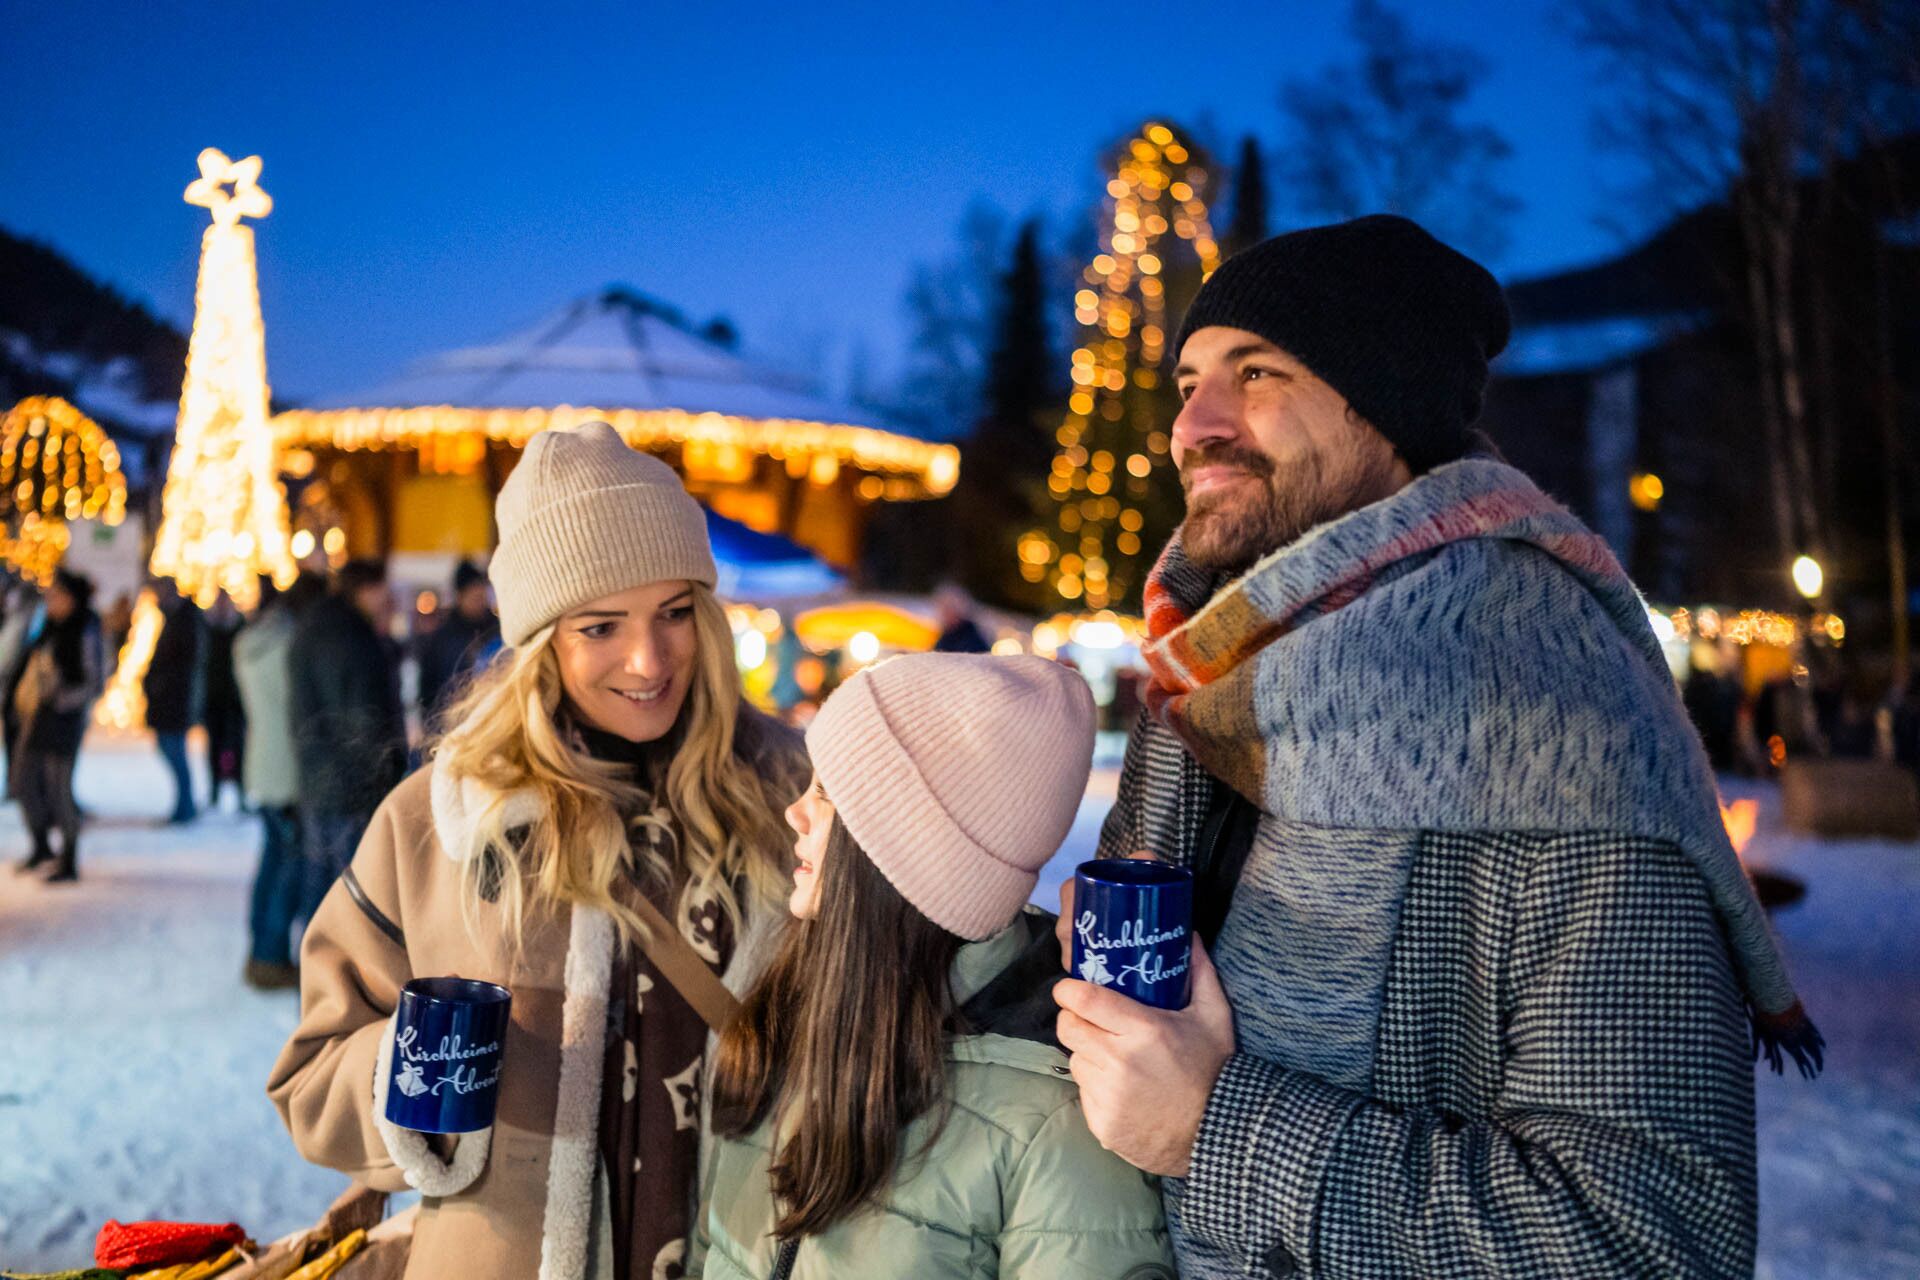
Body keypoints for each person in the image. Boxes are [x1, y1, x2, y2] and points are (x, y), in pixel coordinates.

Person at [1049, 215, 1819, 1279]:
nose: (1194, 424)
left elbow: (1653, 1240)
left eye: (1257, 371)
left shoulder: (1562, 732)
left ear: (1391, 408)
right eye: (1188, 381)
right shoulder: (1212, 681)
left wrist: (1214, 1129)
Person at [269, 422, 808, 1280]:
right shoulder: (438, 824)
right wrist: (416, 1080)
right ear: (539, 642)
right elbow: (310, 1079)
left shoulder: (793, 802)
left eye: (675, 612)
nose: (648, 657)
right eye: (600, 626)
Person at [691, 653, 1173, 1279]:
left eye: (827, 791)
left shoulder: (1056, 1120)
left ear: (906, 853)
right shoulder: (790, 1016)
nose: (795, 811)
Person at [287, 560, 409, 925]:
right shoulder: (352, 638)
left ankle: (312, 968)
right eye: (382, 591)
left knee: (319, 878)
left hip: (318, 774)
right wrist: (385, 774)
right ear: (365, 590)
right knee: (349, 889)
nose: (387, 600)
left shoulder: (316, 627)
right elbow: (364, 718)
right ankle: (333, 973)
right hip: (351, 781)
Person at [234, 572, 328, 989]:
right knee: (288, 865)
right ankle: (270, 955)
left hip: (261, 763)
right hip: (289, 768)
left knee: (272, 859)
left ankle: (261, 947)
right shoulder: (294, 646)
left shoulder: (251, 641)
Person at [9, 569, 104, 882]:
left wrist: (62, 698)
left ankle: (69, 855)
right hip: (38, 714)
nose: (51, 600)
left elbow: (94, 680)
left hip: (64, 718)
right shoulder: (49, 626)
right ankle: (41, 845)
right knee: (23, 780)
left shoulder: (86, 628)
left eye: (56, 595)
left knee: (58, 787)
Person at [142, 581, 203, 824]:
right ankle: (184, 805)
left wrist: (160, 684)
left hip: (174, 700)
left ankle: (185, 806)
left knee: (174, 752)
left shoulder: (184, 620)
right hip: (169, 699)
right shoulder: (175, 618)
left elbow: (182, 663)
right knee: (172, 752)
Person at [415, 559, 500, 729]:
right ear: (460, 596)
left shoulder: (498, 632)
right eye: (474, 596)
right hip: (452, 727)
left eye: (482, 594)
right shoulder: (442, 639)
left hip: (492, 723)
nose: (480, 601)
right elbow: (428, 691)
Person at [203, 590, 247, 810]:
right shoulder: (208, 627)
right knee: (214, 747)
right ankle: (214, 790)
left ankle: (240, 792)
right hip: (214, 698)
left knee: (238, 747)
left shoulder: (239, 626)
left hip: (236, 699)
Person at [930, 582, 991, 653]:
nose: (945, 614)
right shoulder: (945, 637)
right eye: (942, 609)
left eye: (949, 609)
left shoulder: (972, 639)